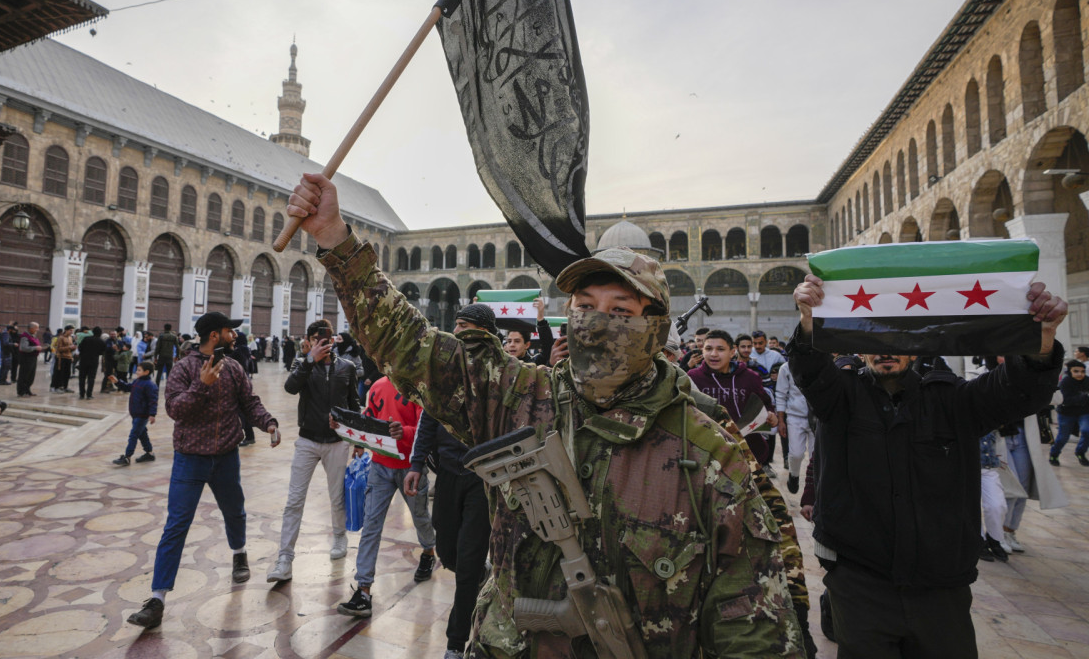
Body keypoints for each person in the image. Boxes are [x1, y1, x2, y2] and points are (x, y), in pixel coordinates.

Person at [287, 171, 803, 657]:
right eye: (583, 305)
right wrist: (335, 237)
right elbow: (409, 345)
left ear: (656, 327)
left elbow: (752, 621)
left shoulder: (706, 452)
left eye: (620, 311)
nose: (596, 323)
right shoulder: (518, 397)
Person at [789, 273, 1066, 659]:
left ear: (916, 349)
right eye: (876, 341)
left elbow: (1020, 392)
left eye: (898, 341)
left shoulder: (954, 402)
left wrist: (1040, 342)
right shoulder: (840, 399)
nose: (887, 350)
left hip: (940, 587)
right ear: (862, 350)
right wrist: (808, 320)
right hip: (861, 581)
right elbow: (809, 369)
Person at [126, 312, 282, 630]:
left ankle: (239, 552)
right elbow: (175, 409)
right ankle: (157, 599)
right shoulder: (184, 368)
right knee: (176, 524)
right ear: (214, 335)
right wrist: (202, 385)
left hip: (226, 456)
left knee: (234, 511)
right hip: (190, 458)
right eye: (229, 330)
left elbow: (249, 402)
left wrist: (269, 422)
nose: (234, 335)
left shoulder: (235, 367)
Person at [407, 304, 496, 659]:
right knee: (448, 551)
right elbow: (429, 419)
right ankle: (477, 571)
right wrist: (416, 463)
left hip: (481, 479)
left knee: (468, 562)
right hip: (447, 473)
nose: (458, 332)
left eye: (466, 326)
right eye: (456, 325)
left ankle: (455, 644)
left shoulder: (498, 373)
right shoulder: (444, 371)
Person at [335, 375, 437, 618]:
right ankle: (363, 591)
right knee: (371, 525)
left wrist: (406, 432)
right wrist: (345, 430)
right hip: (379, 466)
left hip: (410, 467)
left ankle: (429, 551)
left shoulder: (416, 388)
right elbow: (368, 420)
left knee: (420, 515)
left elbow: (427, 428)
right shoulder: (377, 387)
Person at [267, 319, 360, 583]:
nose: (325, 343)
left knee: (336, 496)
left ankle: (340, 537)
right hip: (307, 441)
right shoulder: (301, 365)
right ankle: (285, 558)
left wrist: (358, 442)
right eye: (319, 339)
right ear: (309, 340)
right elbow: (290, 388)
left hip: (337, 442)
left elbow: (355, 406)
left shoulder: (347, 367)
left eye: (328, 339)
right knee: (294, 499)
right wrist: (310, 360)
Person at [687, 329, 778, 467]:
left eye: (720, 349)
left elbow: (765, 403)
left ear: (732, 351)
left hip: (747, 454)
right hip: (708, 454)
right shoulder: (693, 378)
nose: (714, 354)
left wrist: (771, 415)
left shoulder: (750, 377)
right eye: (709, 348)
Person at [775, 361, 814, 494]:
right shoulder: (786, 368)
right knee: (796, 453)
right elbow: (780, 394)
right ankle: (794, 475)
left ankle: (814, 483)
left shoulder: (822, 364)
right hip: (795, 416)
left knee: (816, 456)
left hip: (818, 416)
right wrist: (781, 420)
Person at [112, 360, 158, 466]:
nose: (136, 372)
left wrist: (152, 414)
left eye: (139, 370)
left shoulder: (150, 385)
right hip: (135, 413)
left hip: (142, 415)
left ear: (146, 372)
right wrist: (117, 382)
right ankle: (149, 453)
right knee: (142, 434)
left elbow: (153, 401)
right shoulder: (137, 381)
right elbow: (128, 387)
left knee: (133, 435)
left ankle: (127, 457)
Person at [977, 431, 1009, 563]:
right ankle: (978, 541)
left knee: (997, 505)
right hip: (967, 466)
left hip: (989, 466)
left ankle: (994, 537)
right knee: (970, 506)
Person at [1050, 359, 1089, 466]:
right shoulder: (1065, 382)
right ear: (1070, 371)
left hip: (1084, 412)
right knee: (1063, 437)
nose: (1080, 374)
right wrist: (1084, 397)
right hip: (1066, 413)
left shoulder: (1087, 380)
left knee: (1087, 431)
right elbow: (1065, 400)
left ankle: (1080, 452)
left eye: (1082, 371)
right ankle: (1054, 454)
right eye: (1076, 371)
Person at [76, 327, 105, 400]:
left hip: (83, 361)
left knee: (82, 378)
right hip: (94, 361)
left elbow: (80, 348)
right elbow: (103, 352)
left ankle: (81, 394)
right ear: (100, 333)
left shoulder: (86, 339)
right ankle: (89, 395)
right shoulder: (101, 341)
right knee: (91, 378)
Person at [15, 323, 42, 397]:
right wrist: (35, 348)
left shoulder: (33, 336)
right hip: (26, 358)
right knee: (24, 375)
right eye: (36, 328)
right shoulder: (25, 337)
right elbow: (23, 348)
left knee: (31, 375)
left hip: (33, 358)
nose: (38, 330)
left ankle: (27, 390)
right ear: (31, 328)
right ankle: (21, 392)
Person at [51, 326, 75, 393]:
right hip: (61, 357)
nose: (71, 332)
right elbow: (59, 349)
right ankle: (57, 387)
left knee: (67, 373)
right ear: (66, 330)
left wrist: (73, 348)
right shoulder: (61, 338)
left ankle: (65, 386)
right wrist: (69, 347)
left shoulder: (70, 338)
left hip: (69, 357)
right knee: (60, 373)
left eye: (72, 330)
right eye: (70, 330)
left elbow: (71, 348)